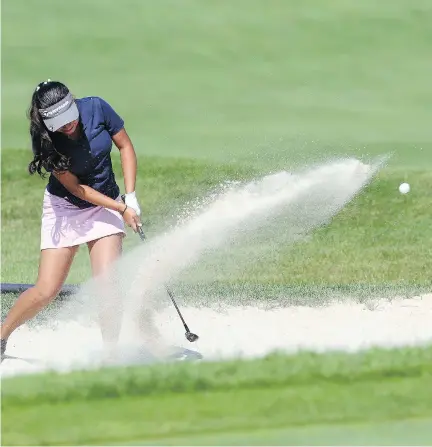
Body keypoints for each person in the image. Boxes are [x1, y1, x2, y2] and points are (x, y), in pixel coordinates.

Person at [1, 79, 142, 358]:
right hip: (65, 207)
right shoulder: (44, 138)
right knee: (46, 291)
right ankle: (2, 335)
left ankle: (110, 356)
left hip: (106, 204)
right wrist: (121, 209)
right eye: (59, 124)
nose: (68, 127)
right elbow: (77, 188)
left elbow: (125, 147)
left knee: (108, 285)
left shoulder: (97, 108)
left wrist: (130, 196)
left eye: (69, 119)